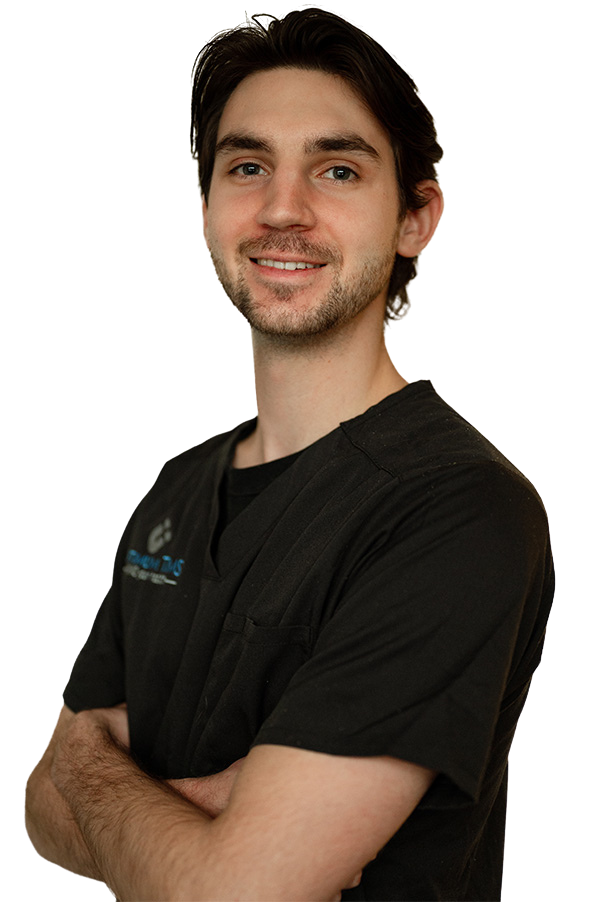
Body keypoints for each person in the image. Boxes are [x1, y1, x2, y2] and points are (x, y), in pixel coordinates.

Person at [24, 7, 554, 900]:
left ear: (416, 219)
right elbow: (39, 812)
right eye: (247, 166)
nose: (281, 209)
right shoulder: (177, 486)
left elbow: (237, 895)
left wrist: (83, 759)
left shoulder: (460, 508)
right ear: (204, 213)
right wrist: (119, 783)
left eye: (337, 168)